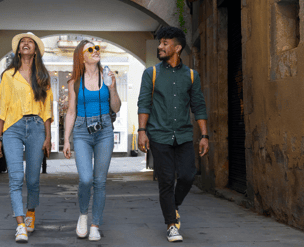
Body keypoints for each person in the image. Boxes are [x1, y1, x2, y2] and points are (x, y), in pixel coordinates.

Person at [137, 26, 209, 242]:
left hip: (184, 135)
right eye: (160, 43)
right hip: (159, 135)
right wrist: (142, 131)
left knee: (187, 175)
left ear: (177, 48)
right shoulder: (151, 73)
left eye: (165, 43)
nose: (160, 46)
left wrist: (204, 135)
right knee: (166, 180)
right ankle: (171, 224)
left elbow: (199, 106)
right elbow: (144, 103)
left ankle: (172, 206)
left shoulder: (191, 76)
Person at [0, 32, 53, 243]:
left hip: (37, 128)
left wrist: (48, 137)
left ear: (35, 50)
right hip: (12, 128)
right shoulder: (8, 75)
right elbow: (2, 106)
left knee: (33, 179)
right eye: (23, 42)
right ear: (18, 50)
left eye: (31, 42)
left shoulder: (43, 77)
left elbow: (47, 108)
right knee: (16, 178)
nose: (26, 44)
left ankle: (30, 213)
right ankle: (20, 224)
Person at [63, 40, 121, 241]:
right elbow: (71, 112)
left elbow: (116, 107)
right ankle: (83, 215)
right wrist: (66, 140)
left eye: (97, 48)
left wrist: (112, 88)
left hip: (104, 130)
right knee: (86, 179)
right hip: (81, 131)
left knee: (100, 181)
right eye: (90, 49)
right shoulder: (74, 83)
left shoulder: (107, 76)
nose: (96, 51)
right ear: (81, 56)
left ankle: (95, 224)